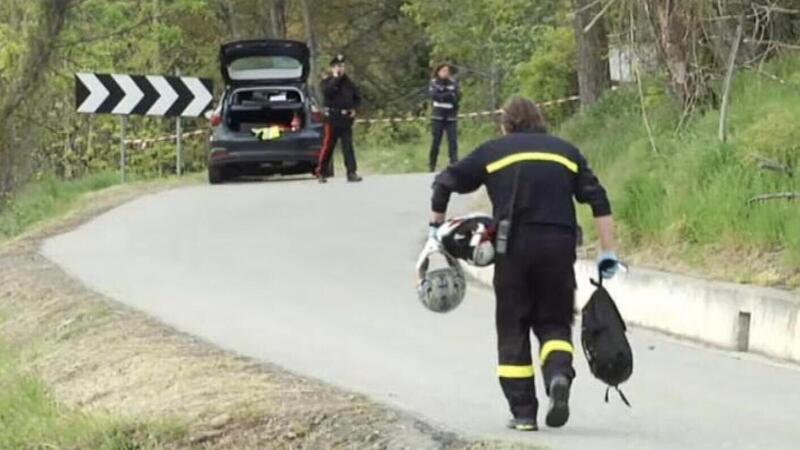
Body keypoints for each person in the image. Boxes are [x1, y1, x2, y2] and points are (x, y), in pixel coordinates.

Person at [428, 97, 620, 431]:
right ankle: (558, 375)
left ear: (507, 125)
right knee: (555, 323)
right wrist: (608, 253)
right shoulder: (565, 152)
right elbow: (598, 200)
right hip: (559, 248)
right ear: (540, 121)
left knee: (513, 326)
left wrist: (436, 229)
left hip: (512, 249)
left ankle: (524, 413)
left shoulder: (493, 151)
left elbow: (444, 182)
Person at [315, 54, 363, 183]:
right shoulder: (327, 82)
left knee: (348, 146)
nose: (340, 69)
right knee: (329, 145)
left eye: (342, 66)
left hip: (345, 119)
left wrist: (354, 109)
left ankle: (351, 172)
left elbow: (357, 97)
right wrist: (335, 78)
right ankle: (321, 172)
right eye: (337, 66)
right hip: (332, 118)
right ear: (332, 68)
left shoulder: (349, 83)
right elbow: (327, 92)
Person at [428, 63, 460, 172]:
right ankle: (432, 165)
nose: (446, 73)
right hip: (438, 116)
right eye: (443, 71)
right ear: (438, 72)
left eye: (447, 71)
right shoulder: (434, 83)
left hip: (451, 116)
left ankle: (454, 164)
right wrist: (447, 95)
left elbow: (456, 96)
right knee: (436, 141)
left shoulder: (453, 83)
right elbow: (435, 97)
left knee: (453, 141)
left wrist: (446, 95)